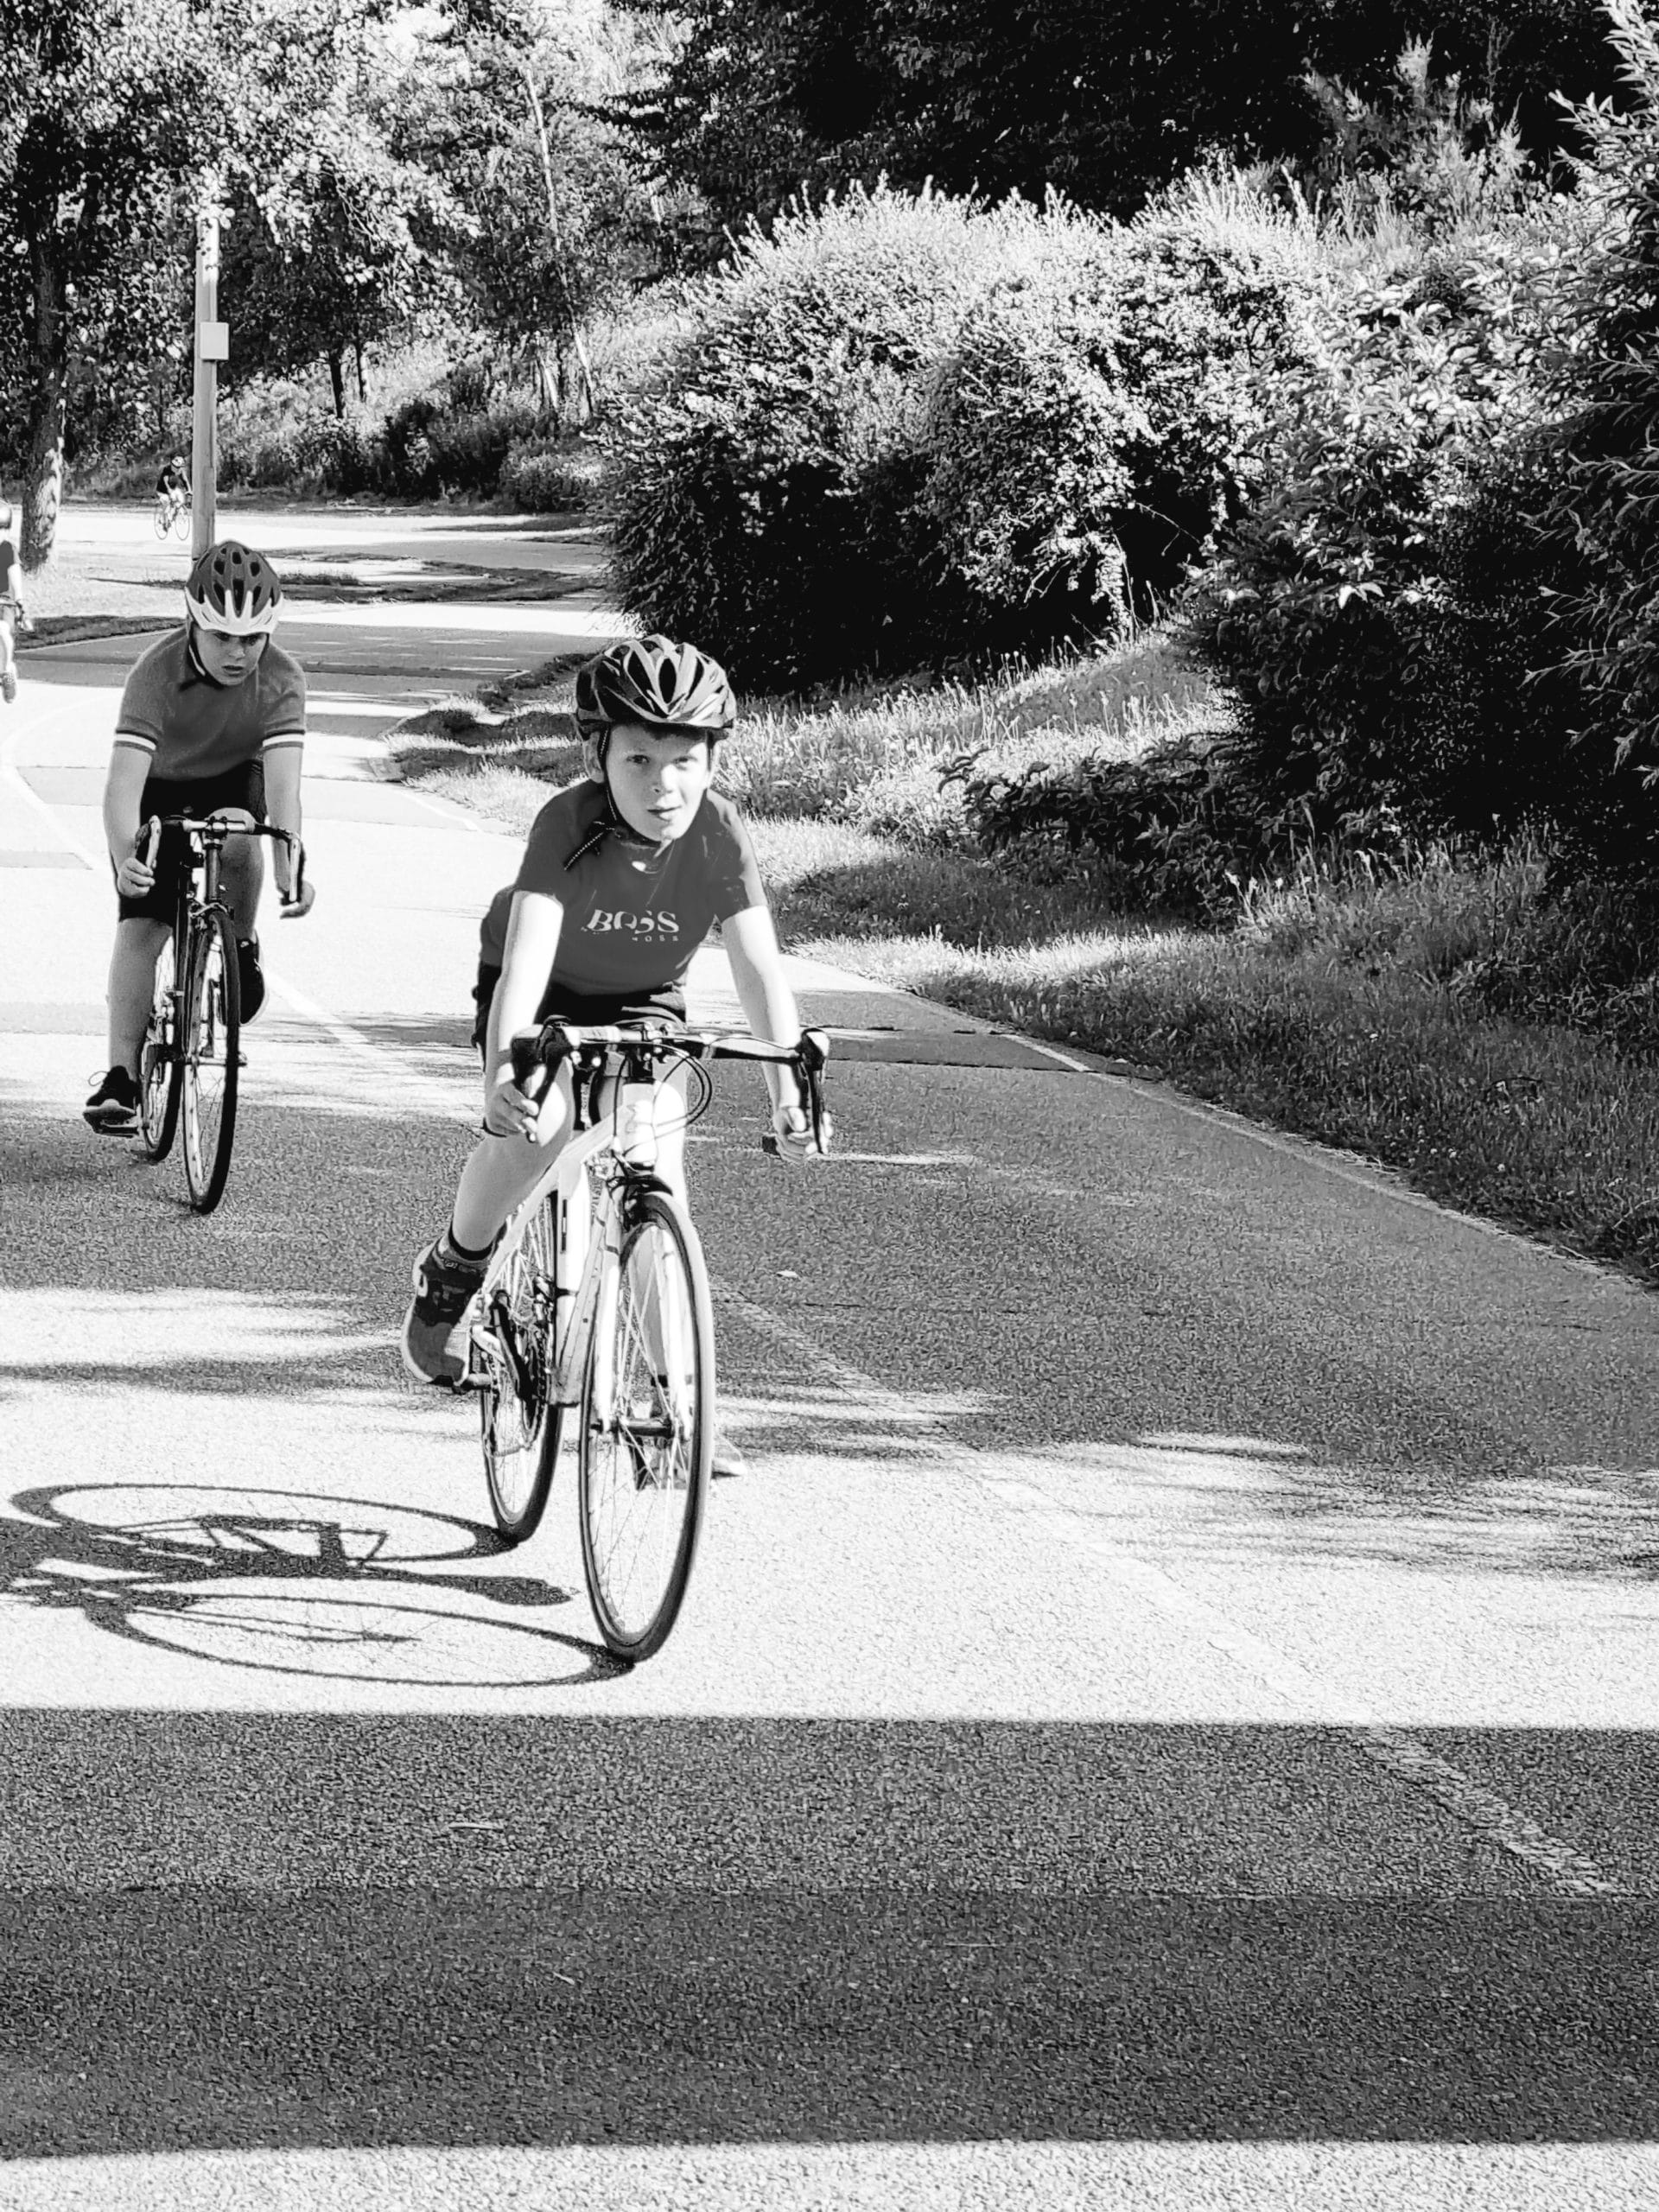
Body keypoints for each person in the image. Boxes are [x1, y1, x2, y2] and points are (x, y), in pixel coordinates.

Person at [402, 634, 817, 1454]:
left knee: (659, 1169)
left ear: (712, 762)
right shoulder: (568, 822)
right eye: (637, 761)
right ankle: (454, 1270)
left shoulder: (719, 835)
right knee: (541, 1124)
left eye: (684, 760)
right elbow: (525, 965)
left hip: (644, 999)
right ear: (600, 756)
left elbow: (759, 970)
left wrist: (789, 1094)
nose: (663, 785)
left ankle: (678, 1406)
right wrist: (501, 1079)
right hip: (543, 986)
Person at [83, 540, 316, 1135]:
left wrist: (291, 863)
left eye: (254, 638)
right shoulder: (155, 673)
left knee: (240, 831)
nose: (239, 654)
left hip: (237, 775)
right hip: (161, 783)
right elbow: (120, 791)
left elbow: (285, 792)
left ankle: (237, 945)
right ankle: (122, 1077)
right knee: (142, 926)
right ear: (192, 624)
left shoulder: (282, 678)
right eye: (222, 638)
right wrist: (123, 861)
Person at [0, 504, 27, 704]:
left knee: (1, 630)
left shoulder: (8, 549)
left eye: (2, 528)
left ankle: (7, 670)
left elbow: (15, 576)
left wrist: (20, 602)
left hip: (4, 605)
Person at [156, 454, 189, 526]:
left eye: (180, 467)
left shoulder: (180, 471)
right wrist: (169, 490)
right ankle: (164, 522)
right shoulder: (167, 470)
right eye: (177, 467)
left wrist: (189, 490)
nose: (179, 469)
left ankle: (173, 518)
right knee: (166, 502)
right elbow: (165, 482)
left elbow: (185, 481)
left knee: (180, 501)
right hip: (162, 490)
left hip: (173, 489)